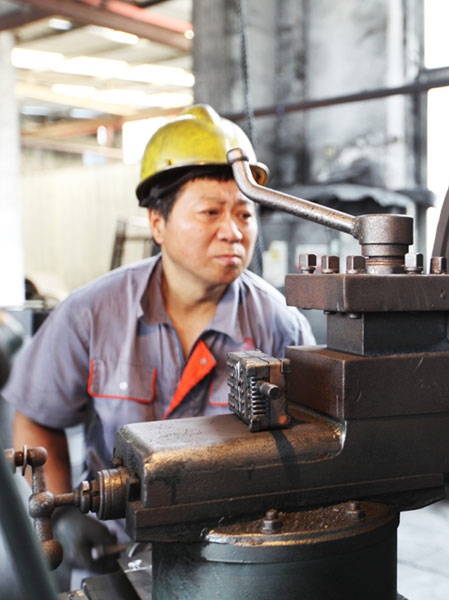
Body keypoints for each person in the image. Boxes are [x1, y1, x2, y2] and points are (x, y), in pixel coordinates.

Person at [1, 104, 314, 577]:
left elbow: (311, 443)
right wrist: (62, 515)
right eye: (210, 212)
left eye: (245, 213)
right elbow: (37, 417)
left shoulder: (278, 323)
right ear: (157, 223)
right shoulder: (93, 313)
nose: (233, 231)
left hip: (234, 557)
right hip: (114, 552)